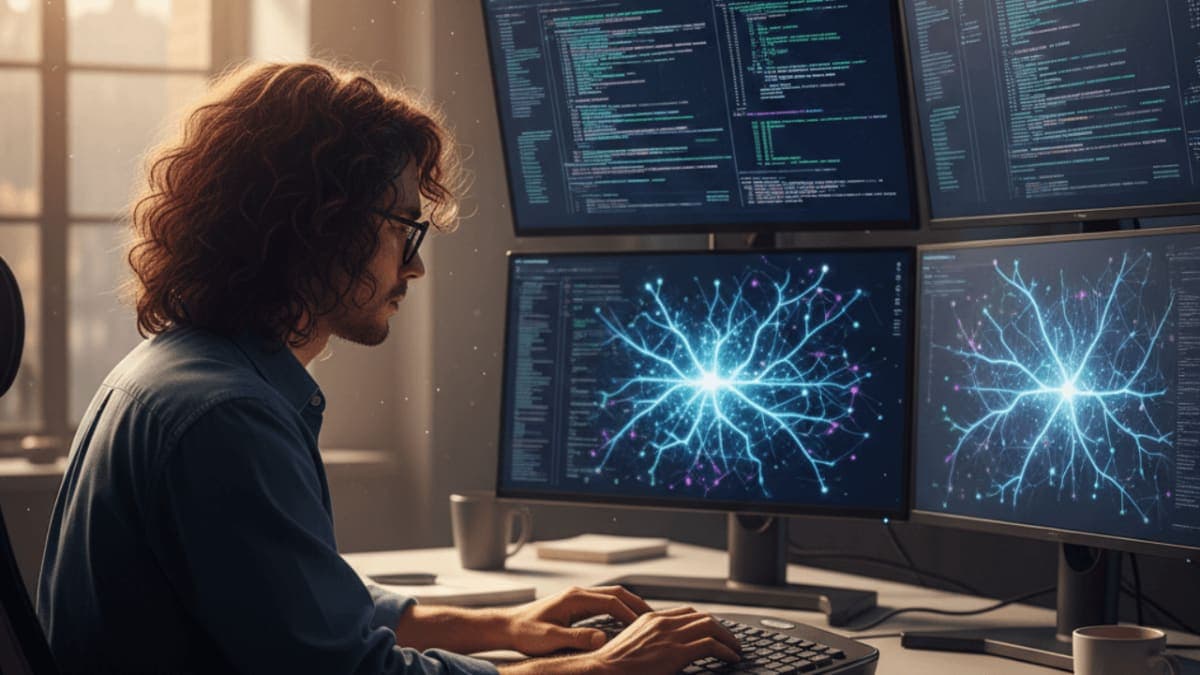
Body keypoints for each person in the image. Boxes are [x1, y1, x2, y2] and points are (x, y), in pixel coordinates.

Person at [36, 61, 741, 675]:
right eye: (404, 227)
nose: (416, 265)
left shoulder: (176, 373)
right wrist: (601, 666)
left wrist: (504, 624)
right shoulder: (227, 417)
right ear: (322, 223)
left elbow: (302, 606)